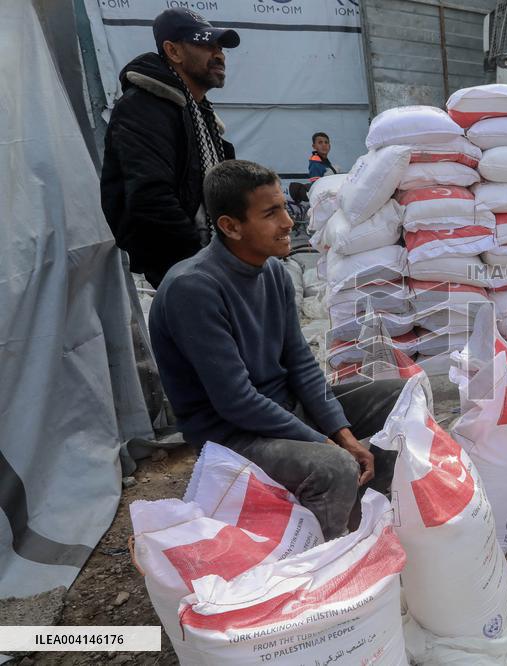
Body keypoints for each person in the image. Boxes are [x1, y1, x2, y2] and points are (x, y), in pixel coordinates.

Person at [149, 160, 403, 539]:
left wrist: (344, 434)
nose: (288, 222)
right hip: (231, 436)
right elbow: (237, 402)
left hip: (282, 408)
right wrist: (326, 442)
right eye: (271, 213)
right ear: (230, 226)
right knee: (334, 465)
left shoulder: (273, 272)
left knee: (401, 398)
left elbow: (301, 364)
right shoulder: (194, 289)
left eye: (284, 207)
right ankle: (323, 555)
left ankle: (366, 518)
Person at [101, 8, 239, 288]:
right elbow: (151, 198)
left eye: (220, 48)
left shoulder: (200, 113)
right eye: (206, 45)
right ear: (173, 51)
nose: (219, 55)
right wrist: (198, 264)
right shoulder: (144, 107)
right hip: (185, 269)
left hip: (209, 261)